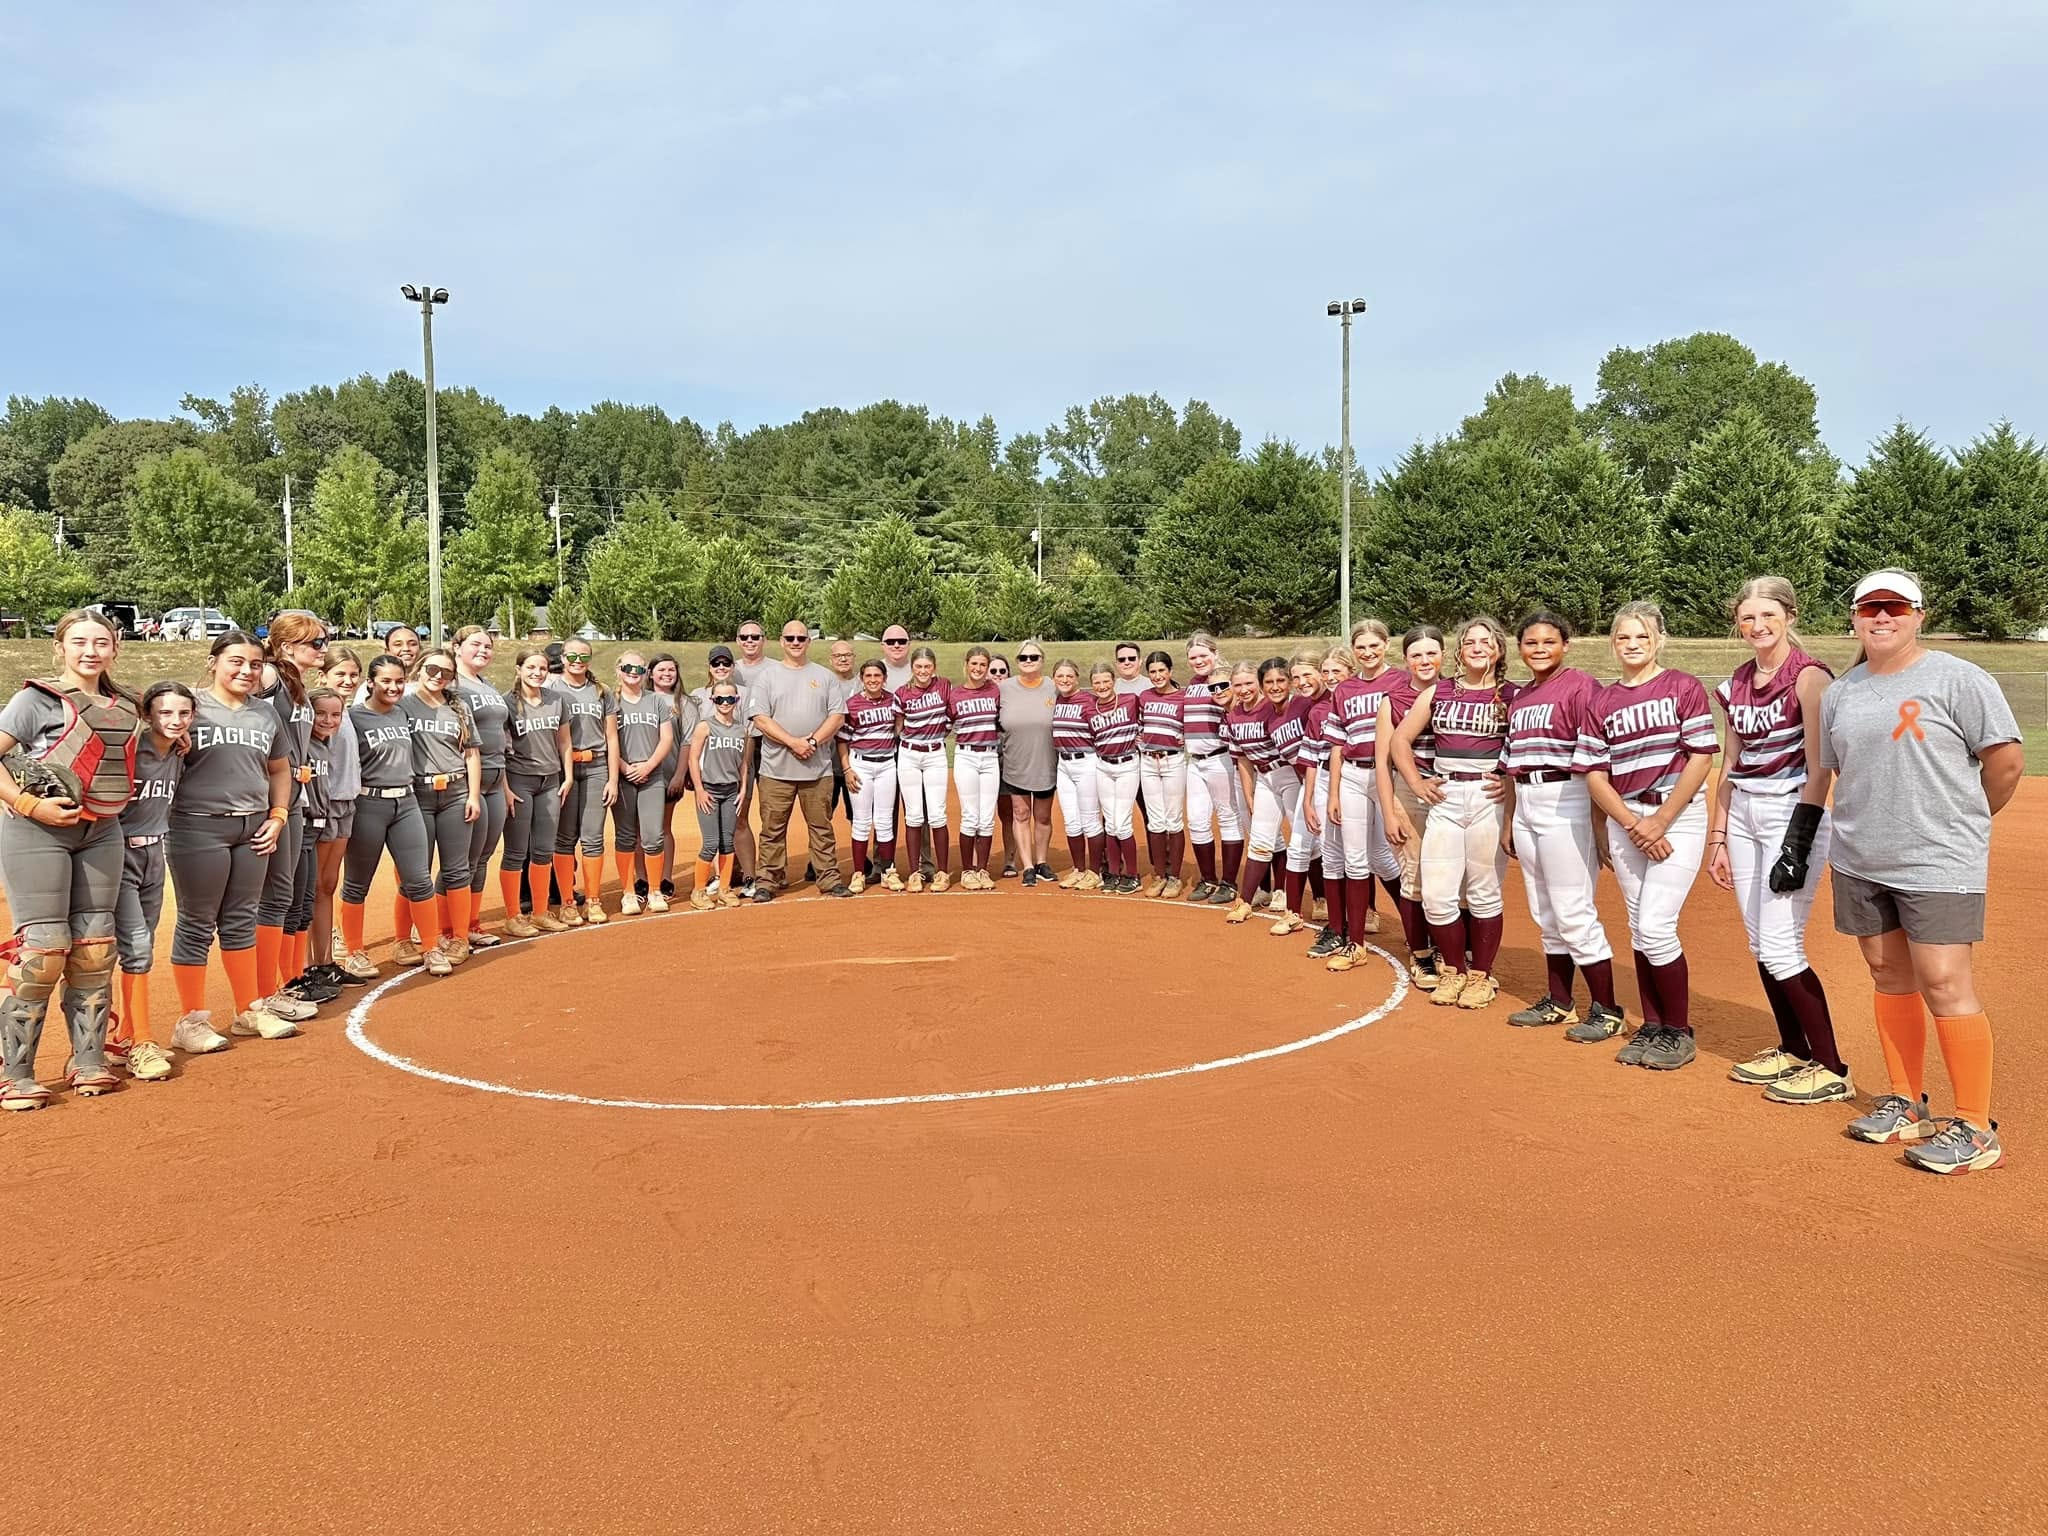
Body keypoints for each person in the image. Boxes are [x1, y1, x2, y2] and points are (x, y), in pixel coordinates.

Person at [1823, 569, 2022, 1173]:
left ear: (1918, 615)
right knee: (1888, 973)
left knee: (1944, 980)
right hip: (1860, 857)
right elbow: (1836, 770)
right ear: (1855, 617)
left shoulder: (1959, 678)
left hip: (1937, 859)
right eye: (1869, 609)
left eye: (1895, 608)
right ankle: (1907, 1103)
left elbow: (2006, 761)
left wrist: (1965, 821)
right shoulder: (1842, 691)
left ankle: (1974, 1125)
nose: (1881, 618)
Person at [1708, 576, 1849, 1102]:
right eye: (1747, 617)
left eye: (1768, 615)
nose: (1757, 625)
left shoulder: (1808, 677)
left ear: (1789, 616)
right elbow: (1731, 762)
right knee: (1759, 944)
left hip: (1792, 811)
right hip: (1743, 811)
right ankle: (1794, 1051)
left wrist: (1798, 842)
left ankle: (1831, 1068)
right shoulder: (1738, 681)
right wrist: (1718, 836)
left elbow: (1820, 767)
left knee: (1781, 945)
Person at [0, 609, 142, 1107]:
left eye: (101, 642)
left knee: (96, 946)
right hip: (36, 830)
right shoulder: (35, 700)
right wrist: (26, 801)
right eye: (79, 642)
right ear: (59, 648)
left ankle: (88, 1060)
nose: (90, 651)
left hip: (102, 828)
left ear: (115, 648)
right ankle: (13, 1071)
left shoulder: (126, 705)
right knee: (43, 948)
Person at [1580, 602, 1720, 1070]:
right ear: (1613, 644)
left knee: (1657, 925)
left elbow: (1701, 757)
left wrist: (1659, 822)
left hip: (1674, 815)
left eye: (1642, 636)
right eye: (1623, 637)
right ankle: (1655, 1025)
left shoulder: (1682, 686)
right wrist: (1631, 824)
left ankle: (1679, 1029)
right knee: (1641, 927)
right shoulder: (1602, 700)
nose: (1633, 644)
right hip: (1628, 819)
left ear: (1659, 639)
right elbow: (1596, 776)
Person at [163, 630, 297, 1051]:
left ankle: (247, 1008)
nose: (246, 670)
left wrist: (279, 815)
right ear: (214, 662)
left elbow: (279, 769)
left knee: (241, 919)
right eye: (236, 661)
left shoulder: (264, 713)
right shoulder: (191, 707)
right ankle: (191, 1021)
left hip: (253, 826)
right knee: (197, 921)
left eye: (255, 664)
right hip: (197, 825)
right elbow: (155, 748)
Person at [1497, 612, 1624, 1037]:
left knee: (1573, 910)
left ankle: (1607, 1008)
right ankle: (1560, 1000)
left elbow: (1598, 759)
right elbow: (1513, 764)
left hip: (1567, 798)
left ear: (1565, 645)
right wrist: (1510, 817)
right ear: (1520, 649)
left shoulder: (1581, 687)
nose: (1539, 649)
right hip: (1529, 800)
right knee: (1545, 911)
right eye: (1530, 643)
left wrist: (1598, 820)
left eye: (1548, 641)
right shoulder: (1520, 698)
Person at [1391, 616, 1515, 1009]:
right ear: (1459, 651)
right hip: (1445, 794)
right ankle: (1453, 971)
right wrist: (1416, 784)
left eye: (1486, 641)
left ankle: (1481, 975)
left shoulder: (1511, 695)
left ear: (1499, 649)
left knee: (1482, 891)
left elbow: (1526, 748)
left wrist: (1509, 783)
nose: (1478, 648)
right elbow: (1400, 740)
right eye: (1470, 642)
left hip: (1486, 797)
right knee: (1437, 894)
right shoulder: (1440, 692)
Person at [340, 654, 447, 978]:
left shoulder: (403, 713)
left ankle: (430, 947)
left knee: (418, 879)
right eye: (385, 681)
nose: (393, 687)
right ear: (370, 683)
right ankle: (355, 951)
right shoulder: (353, 717)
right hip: (369, 804)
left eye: (399, 681)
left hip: (407, 801)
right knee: (358, 883)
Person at [108, 680, 192, 1084]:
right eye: (165, 713)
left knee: (143, 944)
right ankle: (140, 1041)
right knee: (135, 946)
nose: (175, 720)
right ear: (147, 715)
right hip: (116, 853)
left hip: (153, 853)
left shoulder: (177, 751)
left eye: (183, 713)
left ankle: (125, 1033)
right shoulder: (130, 748)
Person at [252, 612, 326, 1026]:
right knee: (275, 895)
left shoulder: (298, 686)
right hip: (267, 797)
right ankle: (264, 993)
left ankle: (285, 983)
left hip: (295, 796)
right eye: (314, 642)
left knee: (294, 894)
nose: (322, 649)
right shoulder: (269, 677)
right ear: (285, 646)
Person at [1322, 621, 1406, 970]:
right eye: (1361, 647)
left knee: (1395, 858)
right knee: (1356, 860)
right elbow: (1338, 745)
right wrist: (1333, 793)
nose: (1368, 653)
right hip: (1354, 775)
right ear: (1353, 650)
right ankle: (1354, 944)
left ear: (1386, 645)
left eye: (1374, 645)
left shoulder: (1401, 681)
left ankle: (1423, 934)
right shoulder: (1345, 688)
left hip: (1393, 774)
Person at [747, 621, 850, 899]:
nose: (796, 642)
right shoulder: (767, 677)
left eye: (801, 638)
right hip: (775, 769)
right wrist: (793, 742)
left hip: (817, 770)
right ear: (781, 641)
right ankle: (768, 880)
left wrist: (813, 742)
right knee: (772, 829)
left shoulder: (824, 676)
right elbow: (760, 719)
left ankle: (828, 878)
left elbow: (837, 716)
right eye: (790, 637)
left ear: (808, 641)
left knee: (821, 827)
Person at [1375, 626, 1446, 990]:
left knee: (1450, 876)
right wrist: (1389, 811)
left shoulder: (1455, 691)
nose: (1424, 661)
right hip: (1408, 793)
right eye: (1416, 655)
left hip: (1450, 791)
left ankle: (1451, 949)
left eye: (1431, 653)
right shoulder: (1393, 699)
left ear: (1444, 656)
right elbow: (1382, 763)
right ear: (1405, 660)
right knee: (1415, 875)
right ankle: (1421, 953)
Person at [402, 649, 483, 964]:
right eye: (432, 669)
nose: (438, 676)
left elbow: (471, 753)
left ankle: (459, 938)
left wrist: (473, 795)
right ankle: (409, 939)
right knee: (416, 871)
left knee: (457, 868)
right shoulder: (404, 705)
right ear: (420, 668)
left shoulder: (458, 707)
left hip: (454, 791)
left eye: (446, 673)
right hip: (417, 794)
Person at [500, 647, 573, 938]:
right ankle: (513, 915)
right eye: (530, 667)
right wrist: (504, 787)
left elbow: (565, 742)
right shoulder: (507, 703)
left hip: (550, 782)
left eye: (542, 668)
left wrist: (567, 777)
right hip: (519, 780)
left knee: (544, 849)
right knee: (517, 851)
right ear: (518, 669)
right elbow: (500, 752)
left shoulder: (557, 700)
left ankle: (540, 912)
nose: (537, 673)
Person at [549, 640, 616, 926]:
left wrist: (613, 778)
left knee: (593, 837)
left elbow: (612, 737)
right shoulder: (551, 690)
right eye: (572, 656)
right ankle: (567, 902)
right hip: (563, 770)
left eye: (583, 656)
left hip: (597, 765)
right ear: (563, 658)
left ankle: (593, 899)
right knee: (564, 838)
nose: (578, 660)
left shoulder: (602, 691)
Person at [300, 684, 361, 991]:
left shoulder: (326, 743)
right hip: (315, 817)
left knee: (327, 884)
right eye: (319, 714)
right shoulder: (305, 743)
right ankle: (306, 966)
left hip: (336, 810)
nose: (327, 720)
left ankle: (324, 962)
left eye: (334, 714)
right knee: (311, 889)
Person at [452, 625, 511, 946]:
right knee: (460, 859)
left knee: (483, 855)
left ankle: (471, 923)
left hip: (495, 778)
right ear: (457, 646)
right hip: (467, 780)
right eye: (475, 645)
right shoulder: (454, 684)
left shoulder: (487, 684)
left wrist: (505, 785)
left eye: (488, 646)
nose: (483, 651)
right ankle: (447, 928)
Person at [1221, 659, 1290, 924]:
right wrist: (1250, 797)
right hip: (1264, 777)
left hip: (1289, 774)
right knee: (1261, 838)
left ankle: (1299, 895)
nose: (1244, 689)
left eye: (1249, 683)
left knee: (1305, 841)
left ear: (1258, 684)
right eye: (1238, 685)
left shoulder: (1273, 707)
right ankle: (1245, 900)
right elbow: (1244, 760)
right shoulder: (1235, 714)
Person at [608, 651, 675, 915]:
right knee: (625, 836)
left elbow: (666, 738)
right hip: (622, 775)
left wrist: (648, 766)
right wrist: (625, 768)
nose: (633, 673)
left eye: (639, 669)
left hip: (652, 775)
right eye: (628, 668)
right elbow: (608, 739)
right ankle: (629, 893)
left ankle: (656, 890)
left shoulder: (656, 701)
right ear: (618, 669)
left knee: (653, 835)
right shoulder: (611, 701)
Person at [1269, 649, 1328, 938]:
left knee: (1369, 856)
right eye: (1297, 677)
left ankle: (1367, 910)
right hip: (1311, 782)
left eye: (1308, 674)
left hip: (1339, 782)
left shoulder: (1319, 705)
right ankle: (1293, 912)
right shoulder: (1303, 705)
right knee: (1300, 846)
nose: (1302, 681)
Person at [1182, 632, 1243, 904]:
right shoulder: (1192, 685)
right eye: (1193, 657)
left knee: (1228, 818)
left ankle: (1228, 883)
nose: (1199, 661)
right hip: (1194, 761)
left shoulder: (1223, 680)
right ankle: (1208, 879)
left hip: (1220, 758)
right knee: (1196, 821)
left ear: (1215, 654)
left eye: (1204, 655)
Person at [1302, 646, 1354, 962]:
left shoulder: (1366, 700)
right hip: (1323, 780)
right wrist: (1308, 800)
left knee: (1376, 858)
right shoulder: (1318, 710)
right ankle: (1337, 927)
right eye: (1327, 672)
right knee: (1332, 856)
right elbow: (1311, 758)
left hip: (1357, 778)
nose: (1331, 677)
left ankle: (1418, 932)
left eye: (1337, 671)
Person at [839, 660, 903, 893]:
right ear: (862, 678)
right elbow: (842, 741)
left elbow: (899, 724)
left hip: (886, 764)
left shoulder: (893, 700)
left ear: (884, 678)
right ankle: (858, 874)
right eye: (868, 676)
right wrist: (847, 769)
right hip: (861, 765)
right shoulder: (853, 704)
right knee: (861, 821)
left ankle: (887, 871)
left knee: (885, 821)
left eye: (878, 675)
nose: (873, 680)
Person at [998, 642, 1058, 886]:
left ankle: (1042, 861)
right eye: (1023, 657)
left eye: (1034, 656)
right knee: (1020, 814)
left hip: (1045, 760)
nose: (1028, 660)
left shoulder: (1053, 687)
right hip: (1016, 762)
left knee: (1042, 816)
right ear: (1017, 661)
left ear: (1042, 660)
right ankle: (1028, 866)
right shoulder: (1005, 689)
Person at [688, 682, 751, 909]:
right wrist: (699, 789)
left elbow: (743, 763)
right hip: (710, 790)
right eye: (720, 699)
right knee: (711, 843)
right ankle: (699, 891)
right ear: (712, 700)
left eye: (730, 699)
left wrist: (743, 788)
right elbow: (693, 759)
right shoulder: (705, 726)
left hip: (731, 791)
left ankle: (724, 890)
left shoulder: (741, 729)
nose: (725, 703)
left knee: (727, 842)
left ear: (737, 700)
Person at [894, 646, 953, 893]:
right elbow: (898, 726)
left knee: (938, 814)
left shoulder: (944, 686)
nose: (923, 671)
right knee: (914, 816)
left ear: (934, 668)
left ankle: (942, 872)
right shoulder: (902, 693)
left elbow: (950, 716)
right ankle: (914, 872)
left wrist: (937, 735)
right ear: (912, 668)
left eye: (927, 666)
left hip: (935, 753)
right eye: (918, 666)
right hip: (909, 753)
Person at [1083, 661, 1144, 893]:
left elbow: (1147, 720)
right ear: (1091, 685)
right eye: (1097, 683)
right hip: (1103, 766)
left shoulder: (1130, 700)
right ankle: (1114, 874)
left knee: (1122, 823)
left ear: (1114, 681)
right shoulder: (1090, 709)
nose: (1102, 686)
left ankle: (1133, 874)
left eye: (1106, 681)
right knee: (1110, 823)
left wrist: (1145, 736)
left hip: (1128, 764)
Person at [948, 648, 1002, 890]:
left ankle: (982, 869)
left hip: (990, 757)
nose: (978, 669)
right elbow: (947, 724)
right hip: (966, 756)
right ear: (966, 664)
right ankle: (967, 870)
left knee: (987, 817)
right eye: (974, 664)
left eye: (983, 664)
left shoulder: (995, 690)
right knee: (970, 816)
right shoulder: (956, 694)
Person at [1136, 651, 1188, 899]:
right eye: (1153, 671)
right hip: (1148, 761)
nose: (1157, 676)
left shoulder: (1182, 697)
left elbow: (1192, 725)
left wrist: (1186, 737)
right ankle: (1159, 874)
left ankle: (1175, 877)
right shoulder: (1144, 696)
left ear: (1170, 671)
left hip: (1173, 760)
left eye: (1161, 671)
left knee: (1173, 819)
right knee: (1155, 820)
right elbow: (1139, 724)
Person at [647, 653, 697, 905]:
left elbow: (688, 741)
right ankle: (642, 879)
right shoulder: (641, 698)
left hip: (669, 771)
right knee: (639, 830)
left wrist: (680, 773)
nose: (667, 674)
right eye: (661, 670)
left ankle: (665, 877)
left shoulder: (684, 703)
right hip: (641, 773)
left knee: (663, 827)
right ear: (651, 673)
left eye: (671, 670)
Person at [1050, 660, 1103, 889]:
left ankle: (1095, 871)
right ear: (1054, 678)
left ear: (1077, 677)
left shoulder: (1089, 700)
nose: (1064, 680)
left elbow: (1102, 729)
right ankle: (1079, 869)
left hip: (1087, 761)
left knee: (1090, 820)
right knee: (1072, 821)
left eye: (1069, 676)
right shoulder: (1057, 699)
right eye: (1060, 676)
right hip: (1064, 763)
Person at [730, 619, 771, 894]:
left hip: (767, 743)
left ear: (763, 639)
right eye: (744, 636)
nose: (750, 641)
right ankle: (734, 868)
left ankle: (770, 870)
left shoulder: (775, 669)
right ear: (738, 640)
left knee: (771, 811)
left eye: (755, 636)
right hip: (736, 746)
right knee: (735, 809)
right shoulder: (730, 669)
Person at [987, 653, 1018, 877]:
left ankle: (1010, 859)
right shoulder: (982, 694)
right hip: (986, 757)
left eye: (1002, 671)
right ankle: (979, 862)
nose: (998, 675)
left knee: (1010, 813)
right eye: (993, 671)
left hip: (1010, 758)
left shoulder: (1013, 696)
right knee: (983, 811)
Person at [879, 627, 915, 691]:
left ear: (909, 644)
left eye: (902, 641)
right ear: (882, 645)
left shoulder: (920, 670)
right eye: (890, 642)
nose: (896, 645)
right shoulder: (871, 671)